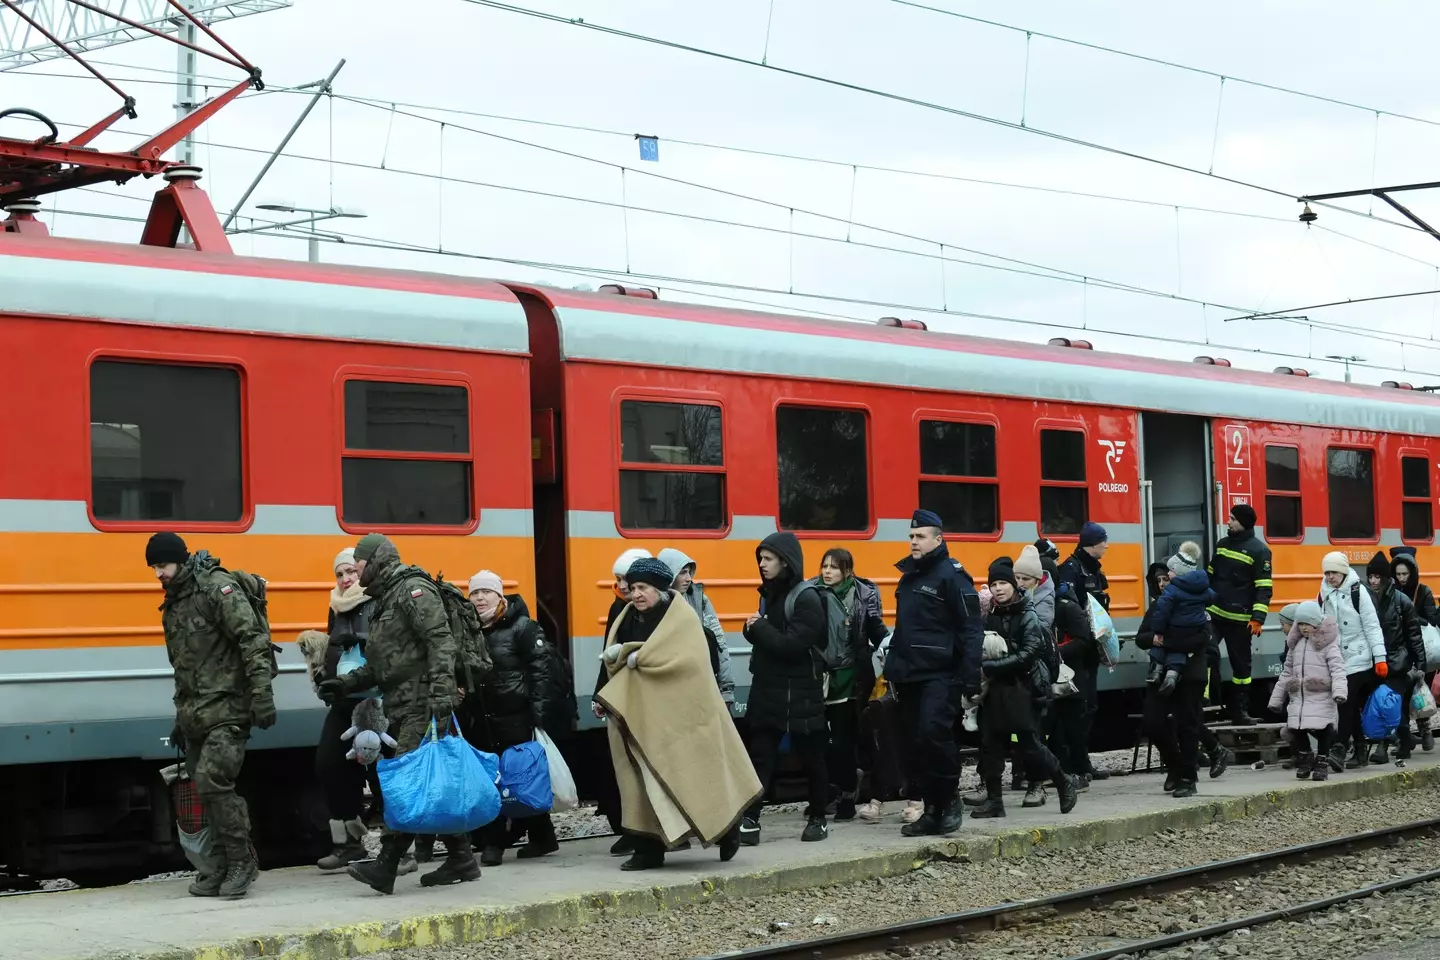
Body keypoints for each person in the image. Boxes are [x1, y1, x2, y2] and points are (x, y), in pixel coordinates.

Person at [318, 533, 477, 894]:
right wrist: (344, 684)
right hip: (402, 703)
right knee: (430, 780)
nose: (355, 571)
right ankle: (462, 858)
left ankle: (387, 865)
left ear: (375, 560)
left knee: (408, 781)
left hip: (424, 701)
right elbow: (383, 666)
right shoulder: (386, 597)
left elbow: (440, 641)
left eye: (358, 563)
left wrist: (440, 693)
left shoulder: (412, 590)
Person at [595, 557, 758, 871]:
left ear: (659, 588)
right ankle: (648, 850)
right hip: (639, 715)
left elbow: (688, 663)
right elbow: (611, 658)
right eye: (632, 588)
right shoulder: (626, 616)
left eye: (643, 588)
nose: (636, 594)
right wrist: (606, 690)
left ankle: (726, 830)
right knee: (639, 781)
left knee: (694, 774)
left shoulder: (680, 618)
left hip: (683, 717)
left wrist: (638, 658)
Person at [148, 532, 274, 899]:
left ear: (180, 561)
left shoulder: (217, 589)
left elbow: (252, 639)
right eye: (154, 567)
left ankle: (240, 862)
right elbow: (184, 666)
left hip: (229, 706)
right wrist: (180, 716)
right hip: (196, 713)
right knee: (204, 789)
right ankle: (217, 866)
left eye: (162, 565)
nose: (158, 573)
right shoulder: (174, 603)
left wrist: (262, 696)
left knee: (213, 781)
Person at [304, 547, 418, 875]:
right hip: (345, 701)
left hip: (379, 701)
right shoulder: (337, 606)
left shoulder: (380, 600)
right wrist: (323, 674)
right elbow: (336, 648)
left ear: (362, 572)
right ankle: (349, 842)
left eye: (350, 572)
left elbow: (390, 650)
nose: (345, 579)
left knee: (385, 774)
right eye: (339, 574)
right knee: (329, 765)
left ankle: (401, 850)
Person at [886, 510, 983, 837]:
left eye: (921, 536)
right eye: (911, 536)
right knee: (915, 744)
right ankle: (931, 810)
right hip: (909, 674)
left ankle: (948, 801)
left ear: (939, 539)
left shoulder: (952, 576)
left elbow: (971, 630)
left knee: (933, 734)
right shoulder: (909, 576)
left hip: (941, 674)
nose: (914, 541)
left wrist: (971, 678)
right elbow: (904, 630)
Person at [739, 532, 831, 845]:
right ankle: (750, 819)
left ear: (785, 561)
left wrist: (758, 626)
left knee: (812, 757)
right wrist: (752, 629)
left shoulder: (807, 598)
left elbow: (791, 645)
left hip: (800, 694)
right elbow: (768, 638)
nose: (762, 565)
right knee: (760, 757)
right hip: (768, 691)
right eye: (760, 559)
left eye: (767, 559)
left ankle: (818, 815)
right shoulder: (770, 593)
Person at [970, 561, 1078, 819]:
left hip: (1021, 688)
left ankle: (1063, 783)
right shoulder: (993, 614)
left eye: (1003, 583)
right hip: (996, 690)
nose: (998, 589)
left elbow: (1028, 654)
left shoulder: (1028, 615)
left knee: (1029, 744)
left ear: (1014, 585)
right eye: (994, 584)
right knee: (990, 745)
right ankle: (996, 802)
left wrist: (990, 667)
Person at [464, 570, 557, 865]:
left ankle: (495, 845)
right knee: (495, 780)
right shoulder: (469, 631)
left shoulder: (522, 627)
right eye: (474, 593)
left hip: (515, 716)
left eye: (486, 592)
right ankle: (543, 837)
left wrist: (538, 713)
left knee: (517, 779)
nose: (479, 598)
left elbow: (541, 671)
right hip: (482, 718)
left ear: (500, 595)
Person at [814, 547, 891, 821]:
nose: (827, 571)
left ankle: (846, 794)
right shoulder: (811, 592)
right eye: (824, 566)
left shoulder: (864, 593)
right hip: (818, 676)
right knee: (817, 740)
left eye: (834, 567)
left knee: (844, 740)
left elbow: (875, 627)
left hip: (851, 677)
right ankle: (825, 794)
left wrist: (888, 643)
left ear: (847, 570)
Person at [593, 547, 654, 856]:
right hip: (622, 699)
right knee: (625, 769)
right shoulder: (619, 608)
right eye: (618, 580)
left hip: (646, 700)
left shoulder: (659, 610)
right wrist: (599, 694)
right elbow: (608, 652)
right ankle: (632, 829)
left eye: (626, 579)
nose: (622, 586)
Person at [1133, 549, 1209, 799]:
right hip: (1160, 672)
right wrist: (1156, 639)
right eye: (1161, 580)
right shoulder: (1159, 605)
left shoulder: (1198, 603)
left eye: (1168, 578)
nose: (1164, 583)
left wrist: (1165, 642)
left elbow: (1201, 640)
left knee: (1186, 725)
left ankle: (1188, 777)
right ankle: (1176, 767)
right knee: (1152, 722)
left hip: (1190, 674)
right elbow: (1142, 638)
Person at [1318, 552, 1386, 771]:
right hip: (1338, 658)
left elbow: (1372, 625)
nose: (1330, 577)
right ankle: (1359, 750)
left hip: (1360, 657)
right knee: (1350, 707)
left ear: (1344, 571)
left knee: (1346, 703)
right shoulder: (1324, 592)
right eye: (1327, 572)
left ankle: (1339, 748)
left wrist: (1380, 658)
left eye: (1334, 572)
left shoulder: (1358, 591)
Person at [1205, 504, 1273, 725]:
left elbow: (1264, 588)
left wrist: (1257, 619)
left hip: (1240, 621)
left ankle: (1239, 711)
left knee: (1241, 668)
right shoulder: (1222, 545)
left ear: (1243, 523)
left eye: (1233, 519)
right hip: (1214, 615)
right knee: (1206, 655)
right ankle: (1205, 702)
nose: (1229, 522)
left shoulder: (1260, 551)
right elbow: (1210, 575)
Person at [1054, 522, 1110, 784]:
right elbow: (1068, 608)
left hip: (1091, 648)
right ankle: (1074, 764)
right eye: (1103, 541)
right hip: (1077, 649)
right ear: (1092, 543)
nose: (1107, 545)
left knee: (1089, 707)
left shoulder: (1092, 570)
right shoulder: (1072, 568)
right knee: (1077, 710)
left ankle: (1082, 762)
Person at [1267, 601, 1346, 781]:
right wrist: (1276, 699)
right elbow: (1287, 672)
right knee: (1296, 727)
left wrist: (1339, 691)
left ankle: (1322, 761)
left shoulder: (1328, 644)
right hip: (1299, 697)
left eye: (1307, 624)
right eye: (1300, 624)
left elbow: (1338, 669)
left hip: (1321, 694)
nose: (1303, 628)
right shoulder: (1295, 645)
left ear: (1316, 623)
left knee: (1325, 728)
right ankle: (1306, 756)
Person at [1364, 553, 1426, 763]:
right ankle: (1406, 739)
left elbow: (1414, 635)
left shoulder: (1401, 601)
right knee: (1393, 705)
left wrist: (1420, 665)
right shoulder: (1364, 599)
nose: (1373, 581)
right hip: (1373, 661)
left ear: (1386, 578)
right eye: (1370, 576)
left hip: (1398, 662)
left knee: (1386, 702)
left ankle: (1382, 747)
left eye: (1377, 577)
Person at [657, 548, 736, 708]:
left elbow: (719, 643)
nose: (688, 578)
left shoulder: (700, 599)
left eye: (689, 572)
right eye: (682, 573)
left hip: (702, 685)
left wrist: (726, 689)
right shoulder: (656, 604)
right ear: (669, 574)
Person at [1147, 542, 1214, 696]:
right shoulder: (1202, 587)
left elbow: (1162, 612)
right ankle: (1172, 674)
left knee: (1165, 643)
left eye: (1171, 570)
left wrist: (1158, 630)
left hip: (1176, 627)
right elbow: (1213, 597)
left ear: (1178, 571)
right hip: (1194, 627)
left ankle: (1157, 670)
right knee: (1181, 649)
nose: (1168, 574)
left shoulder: (1172, 590)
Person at [1390, 549, 1437, 752]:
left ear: (1413, 572)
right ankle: (1405, 737)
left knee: (1420, 692)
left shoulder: (1423, 591)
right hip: (1400, 651)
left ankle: (1425, 731)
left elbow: (1431, 619)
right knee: (1403, 694)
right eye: (1398, 574)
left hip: (1421, 649)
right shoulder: (1389, 591)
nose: (1401, 578)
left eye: (1405, 574)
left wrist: (1410, 617)